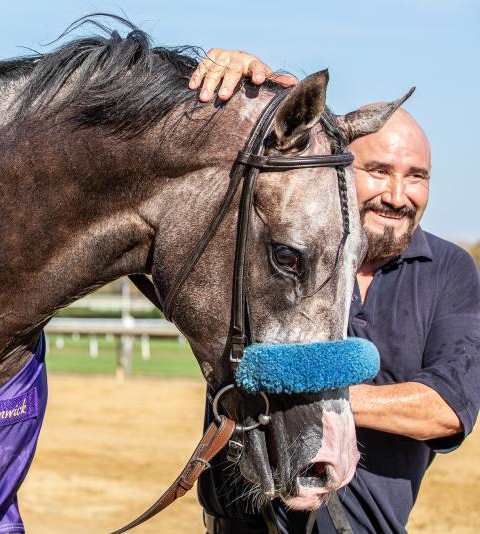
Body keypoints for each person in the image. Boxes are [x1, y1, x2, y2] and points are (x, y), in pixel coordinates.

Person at [187, 49, 480, 533]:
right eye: (379, 171)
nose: (398, 195)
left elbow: (447, 409)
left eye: (417, 177)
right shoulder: (273, 251)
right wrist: (249, 92)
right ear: (337, 171)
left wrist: (307, 394)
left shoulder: (449, 269)